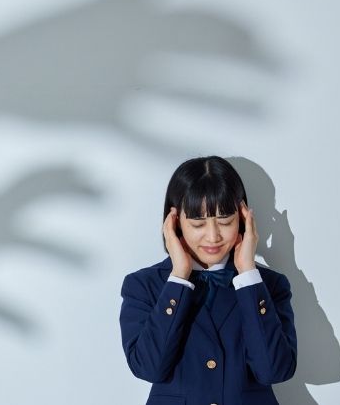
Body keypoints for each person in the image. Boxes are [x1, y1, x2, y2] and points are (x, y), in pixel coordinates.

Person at [119, 156, 296, 404]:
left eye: (225, 221)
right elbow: (149, 368)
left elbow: (274, 371)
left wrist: (247, 274)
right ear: (175, 222)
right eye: (198, 223)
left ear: (244, 220)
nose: (213, 237)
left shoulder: (268, 286)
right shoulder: (143, 286)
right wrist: (178, 277)